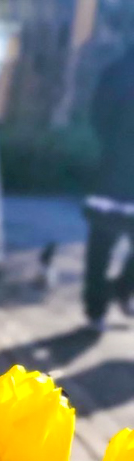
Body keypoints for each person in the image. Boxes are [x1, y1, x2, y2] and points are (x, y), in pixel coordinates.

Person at [83, 45, 134, 333]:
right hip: (113, 173)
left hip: (111, 170)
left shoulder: (114, 72)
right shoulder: (117, 72)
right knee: (101, 245)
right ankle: (101, 304)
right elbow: (99, 119)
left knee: (99, 247)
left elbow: (97, 118)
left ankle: (109, 298)